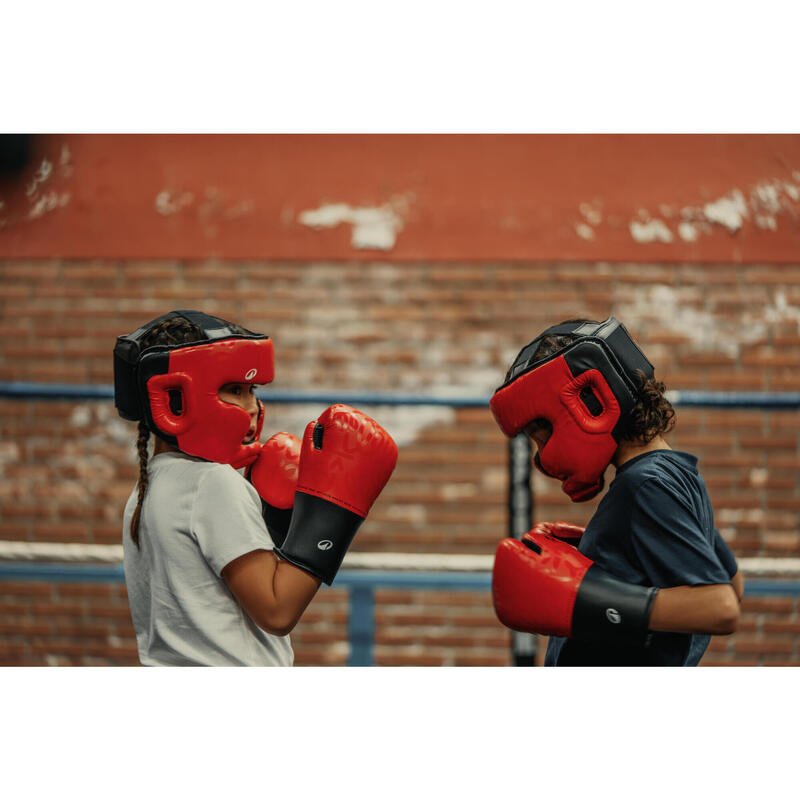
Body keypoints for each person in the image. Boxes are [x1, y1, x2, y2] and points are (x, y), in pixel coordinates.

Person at [114, 310, 398, 666]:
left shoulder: (146, 487)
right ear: (173, 401)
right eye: (233, 390)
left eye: (252, 390)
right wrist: (332, 515)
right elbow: (277, 611)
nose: (251, 407)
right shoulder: (212, 483)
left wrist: (275, 521)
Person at [489, 317, 743, 666]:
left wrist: (592, 599)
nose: (542, 458)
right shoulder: (679, 475)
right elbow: (733, 584)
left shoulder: (645, 485)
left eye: (541, 436)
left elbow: (721, 606)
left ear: (589, 403)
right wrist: (614, 557)